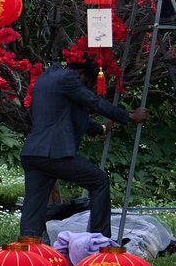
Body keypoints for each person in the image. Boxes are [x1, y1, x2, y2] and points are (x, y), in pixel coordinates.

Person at [18, 57, 146, 242]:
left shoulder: (45, 78)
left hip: (33, 153)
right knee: (99, 181)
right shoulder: (69, 78)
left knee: (33, 206)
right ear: (80, 74)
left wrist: (101, 128)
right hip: (54, 153)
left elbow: (71, 117)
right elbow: (94, 102)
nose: (84, 87)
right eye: (86, 82)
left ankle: (28, 251)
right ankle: (100, 241)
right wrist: (129, 116)